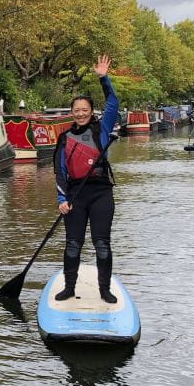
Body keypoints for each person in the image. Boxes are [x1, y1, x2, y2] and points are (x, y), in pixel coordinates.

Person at [53, 55, 119, 304]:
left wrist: (104, 78)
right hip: (74, 196)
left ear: (91, 112)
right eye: (76, 111)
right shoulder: (65, 137)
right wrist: (62, 198)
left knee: (101, 244)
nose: (80, 114)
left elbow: (113, 101)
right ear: (72, 113)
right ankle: (69, 287)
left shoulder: (101, 129)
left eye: (85, 110)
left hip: (101, 193)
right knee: (72, 244)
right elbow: (59, 171)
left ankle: (105, 290)